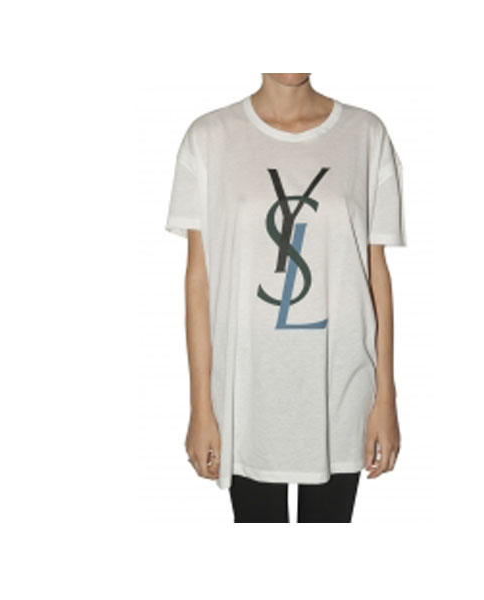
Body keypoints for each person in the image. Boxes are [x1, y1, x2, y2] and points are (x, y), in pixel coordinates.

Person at [166, 73, 406, 523]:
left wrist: (385, 400)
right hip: (247, 391)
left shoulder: (365, 134)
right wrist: (202, 407)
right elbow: (199, 281)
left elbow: (376, 274)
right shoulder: (209, 137)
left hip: (341, 386)